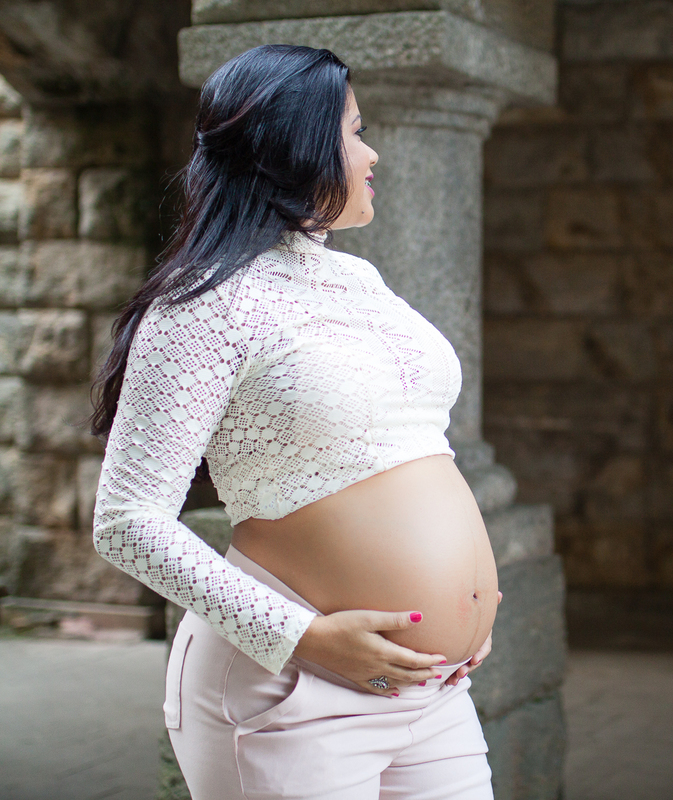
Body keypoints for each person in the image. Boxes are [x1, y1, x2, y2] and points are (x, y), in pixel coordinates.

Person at [91, 45, 501, 800]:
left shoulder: (360, 280)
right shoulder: (202, 305)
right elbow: (126, 521)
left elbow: (410, 451)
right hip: (289, 691)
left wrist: (468, 602)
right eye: (353, 131)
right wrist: (305, 637)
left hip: (432, 693)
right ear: (296, 144)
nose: (372, 153)